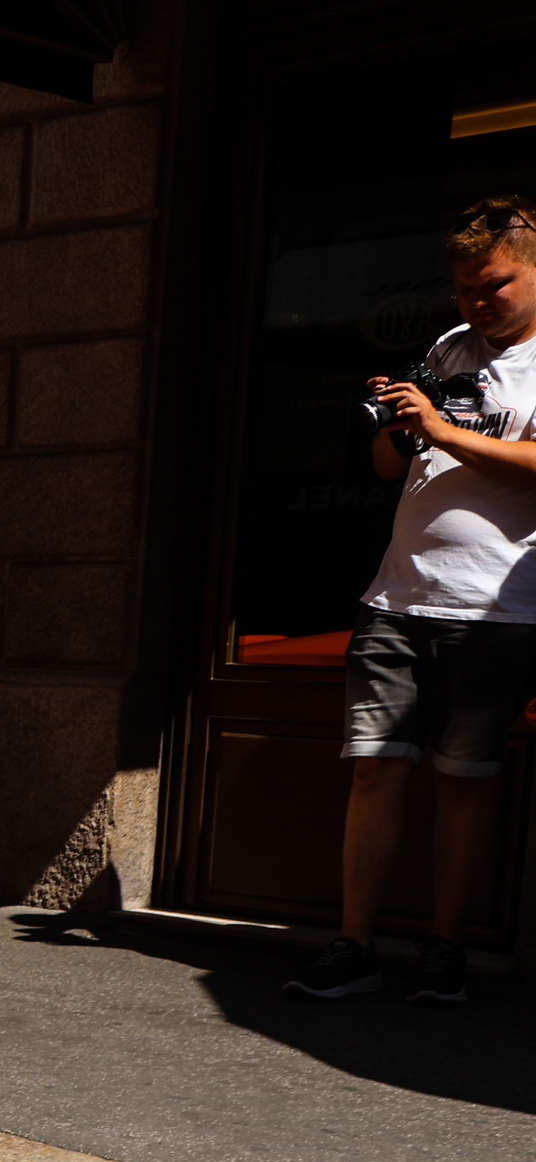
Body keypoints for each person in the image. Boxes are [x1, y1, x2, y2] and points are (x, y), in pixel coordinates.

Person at [285, 196, 536, 1005]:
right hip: (398, 594)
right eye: (464, 288)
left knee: (463, 781)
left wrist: (442, 426)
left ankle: (445, 947)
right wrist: (399, 424)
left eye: (493, 285)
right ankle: (354, 943)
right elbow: (392, 469)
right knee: (374, 773)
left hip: (496, 612)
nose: (475, 302)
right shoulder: (449, 347)